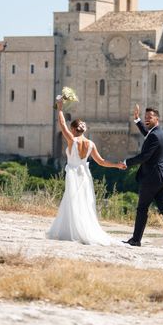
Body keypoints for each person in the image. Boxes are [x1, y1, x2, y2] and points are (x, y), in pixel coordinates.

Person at [46, 98, 125, 245]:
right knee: (84, 202)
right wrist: (116, 165)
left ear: (74, 130)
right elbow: (101, 162)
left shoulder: (72, 140)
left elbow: (62, 124)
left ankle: (74, 231)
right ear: (84, 129)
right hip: (84, 174)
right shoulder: (91, 144)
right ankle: (83, 229)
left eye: (72, 129)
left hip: (73, 173)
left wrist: (60, 108)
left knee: (72, 200)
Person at [122, 104, 163, 251]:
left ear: (157, 119)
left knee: (142, 208)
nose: (147, 120)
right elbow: (147, 135)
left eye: (149, 117)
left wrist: (126, 163)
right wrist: (137, 120)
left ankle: (136, 240)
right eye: (145, 118)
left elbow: (144, 157)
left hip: (152, 178)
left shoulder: (154, 135)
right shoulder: (159, 132)